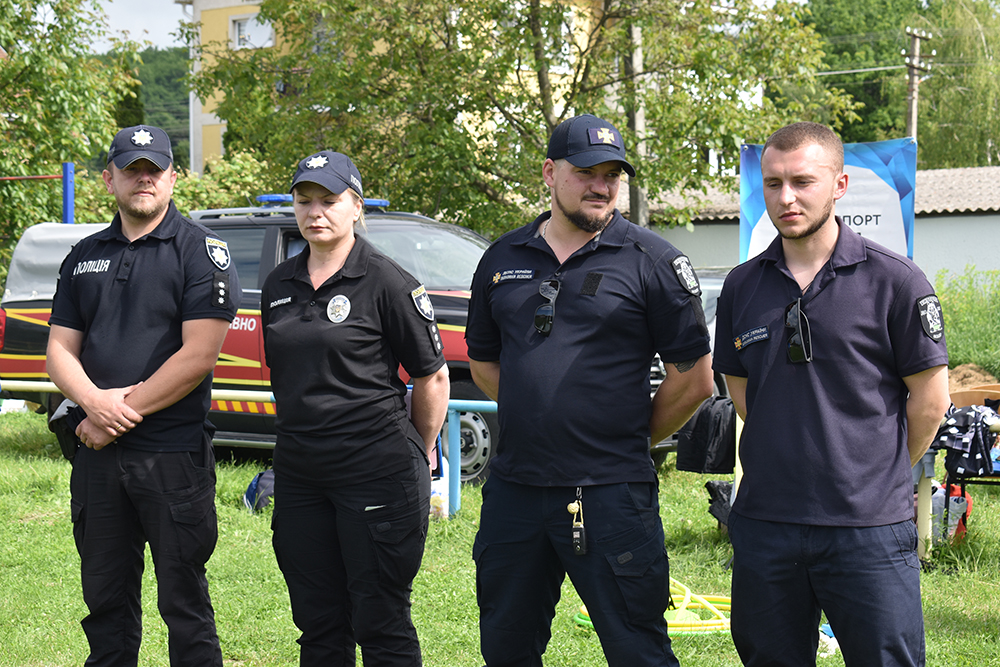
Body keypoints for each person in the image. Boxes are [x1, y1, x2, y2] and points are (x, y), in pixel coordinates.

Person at [465, 114, 714, 667]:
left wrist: (623, 437)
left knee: (638, 651)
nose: (601, 186)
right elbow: (483, 362)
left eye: (612, 175)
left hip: (610, 494)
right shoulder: (502, 258)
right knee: (505, 648)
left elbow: (694, 379)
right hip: (515, 491)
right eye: (586, 173)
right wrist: (538, 414)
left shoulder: (653, 261)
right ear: (549, 173)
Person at [713, 121, 951, 667]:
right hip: (766, 523)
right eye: (773, 183)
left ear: (840, 185)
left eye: (803, 181)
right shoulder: (742, 286)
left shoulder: (896, 282)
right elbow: (744, 392)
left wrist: (875, 472)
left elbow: (931, 401)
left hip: (868, 530)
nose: (786, 197)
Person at [46, 124, 241, 666]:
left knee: (184, 604)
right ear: (109, 179)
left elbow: (198, 356)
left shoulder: (201, 252)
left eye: (154, 169)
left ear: (173, 178)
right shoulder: (83, 255)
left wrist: (111, 415)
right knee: (105, 603)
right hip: (98, 460)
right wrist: (95, 404)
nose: (144, 179)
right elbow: (59, 352)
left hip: (172, 456)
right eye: (131, 170)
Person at [260, 150, 450, 666]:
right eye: (304, 201)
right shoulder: (278, 285)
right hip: (300, 474)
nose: (315, 212)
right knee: (318, 622)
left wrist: (418, 450)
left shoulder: (388, 281)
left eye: (329, 200)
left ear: (356, 206)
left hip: (376, 469)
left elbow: (432, 376)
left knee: (380, 619)